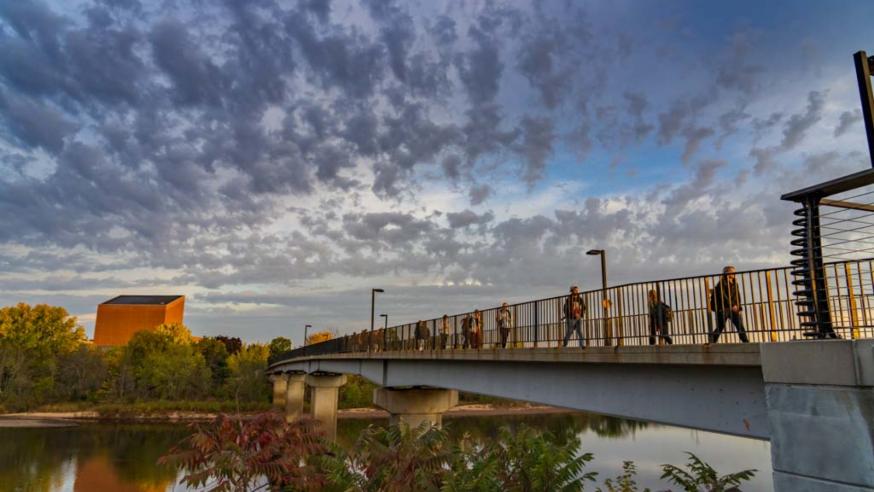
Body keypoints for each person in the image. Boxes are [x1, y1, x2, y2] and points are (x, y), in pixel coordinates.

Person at [709, 266, 749, 343]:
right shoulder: (721, 283)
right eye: (732, 272)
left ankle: (745, 340)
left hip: (733, 308)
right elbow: (722, 296)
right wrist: (731, 306)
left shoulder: (735, 283)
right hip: (723, 308)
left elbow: (737, 296)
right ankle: (713, 339)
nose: (734, 273)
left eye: (734, 272)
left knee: (739, 324)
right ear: (726, 273)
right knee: (721, 326)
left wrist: (738, 307)